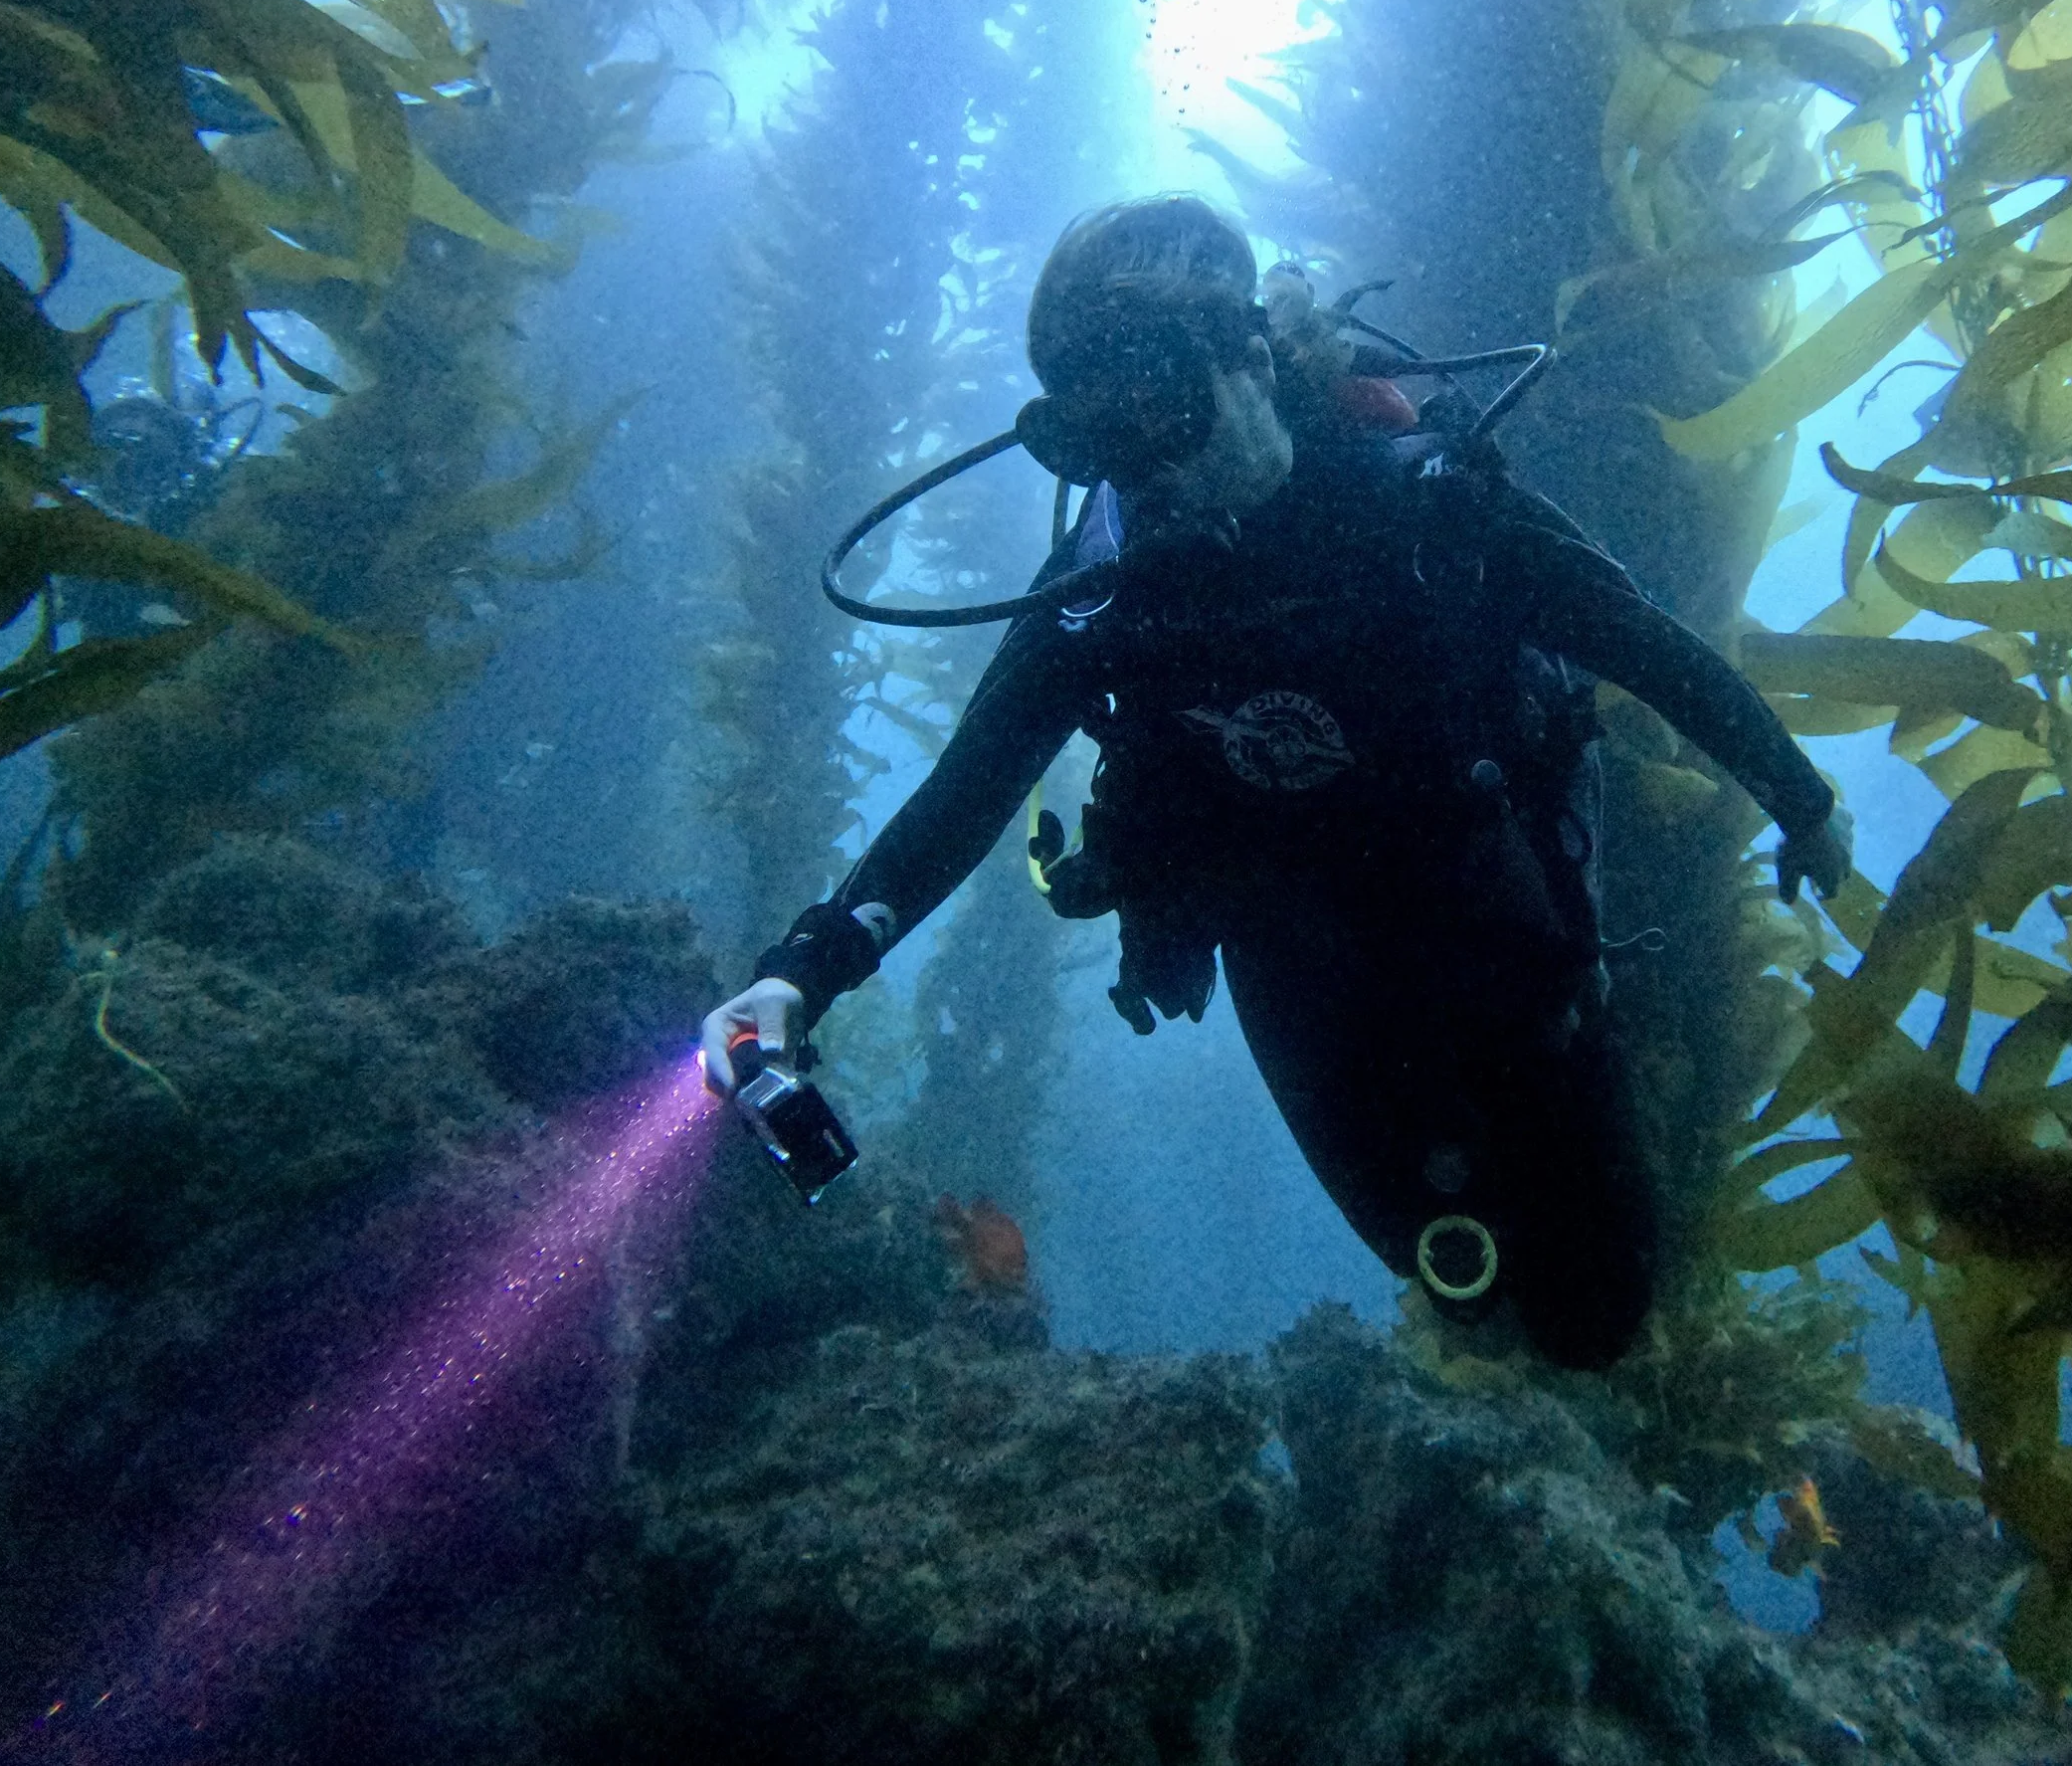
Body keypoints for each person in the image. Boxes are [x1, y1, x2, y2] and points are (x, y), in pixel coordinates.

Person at [700, 195, 1849, 1370]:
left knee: (1596, 1317)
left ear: (1247, 354)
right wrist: (805, 971)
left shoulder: (1417, 499)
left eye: (1156, 403)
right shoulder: (1107, 582)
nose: (1144, 464)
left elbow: (1636, 640)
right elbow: (968, 791)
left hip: (1484, 893)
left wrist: (1799, 801)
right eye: (1096, 431)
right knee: (1449, 1272)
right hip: (1284, 933)